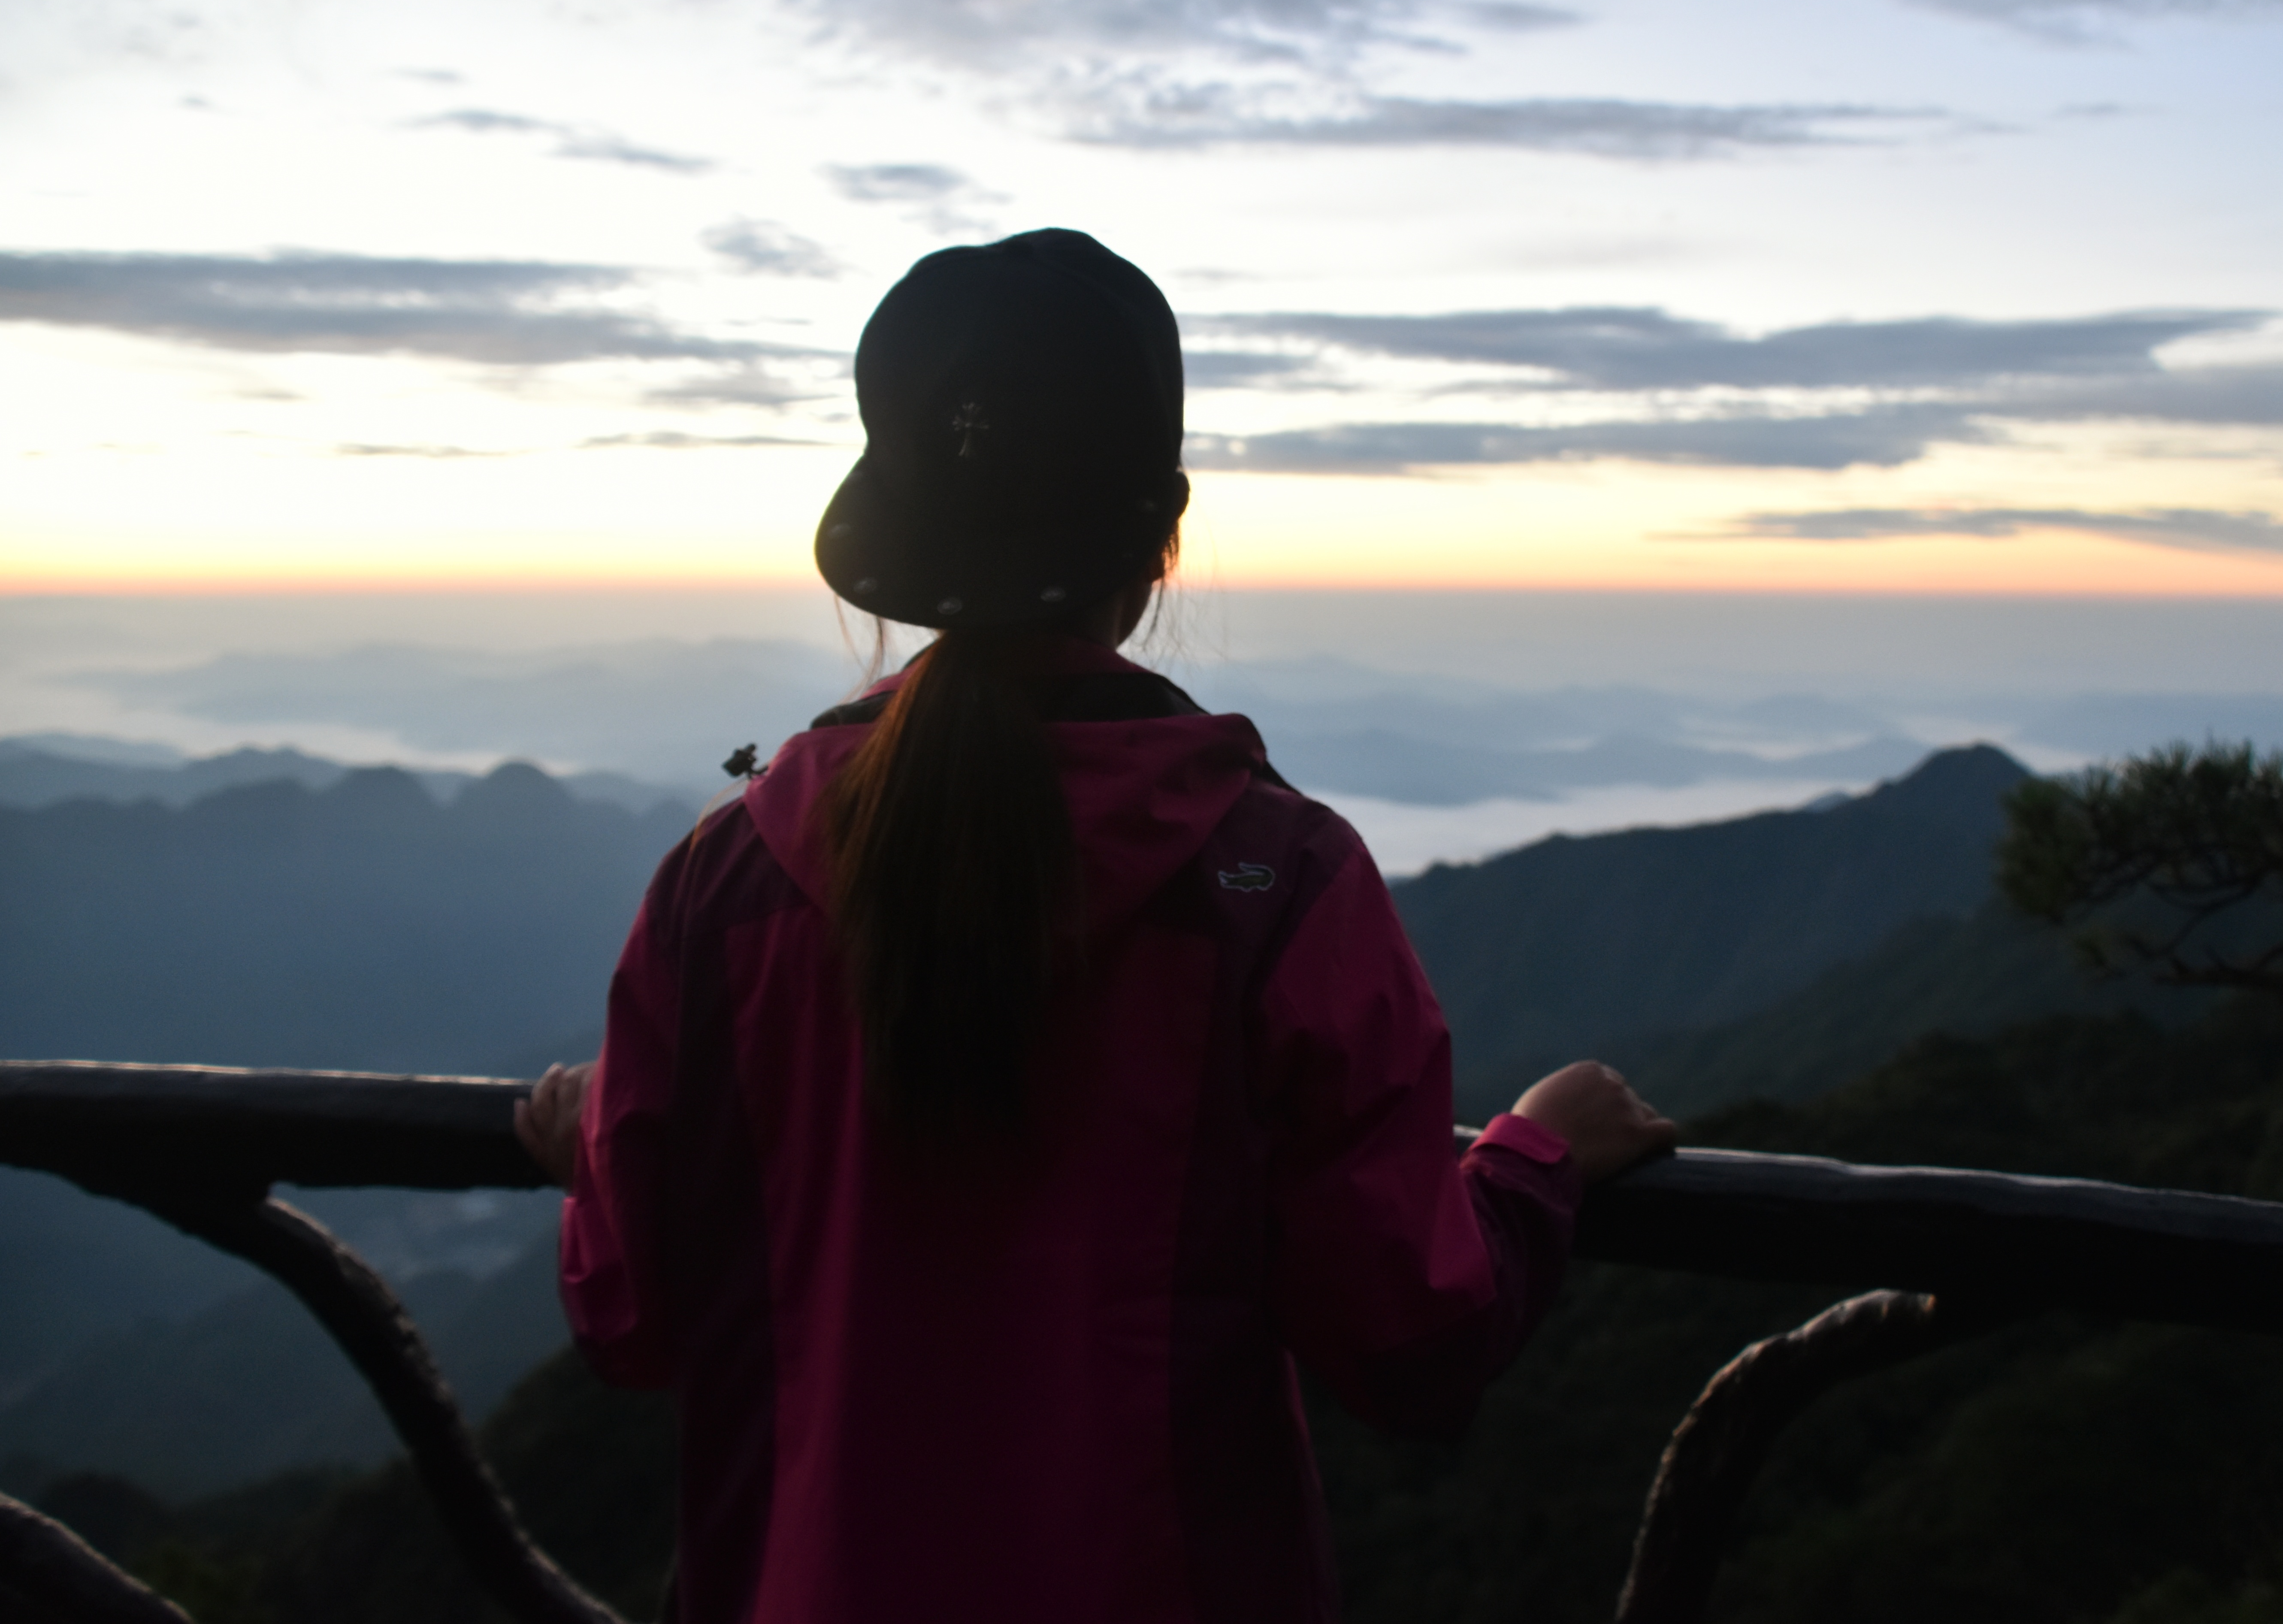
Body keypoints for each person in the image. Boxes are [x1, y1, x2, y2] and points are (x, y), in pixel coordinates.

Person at [516, 229, 1676, 1624]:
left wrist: (596, 1150)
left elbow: (633, 1314)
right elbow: (1410, 1332)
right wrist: (1538, 1157)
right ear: (1162, 536)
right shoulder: (1274, 882)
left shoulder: (729, 883)